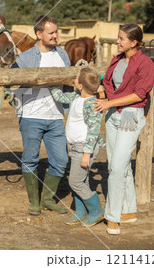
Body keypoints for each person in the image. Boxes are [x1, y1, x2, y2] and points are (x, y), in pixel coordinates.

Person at [93, 23, 154, 235]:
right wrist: (102, 94)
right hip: (111, 115)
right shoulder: (117, 60)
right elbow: (111, 85)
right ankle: (129, 210)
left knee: (118, 166)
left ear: (134, 42)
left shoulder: (146, 65)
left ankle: (113, 216)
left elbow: (139, 95)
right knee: (116, 163)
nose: (117, 41)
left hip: (130, 115)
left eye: (121, 39)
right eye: (117, 38)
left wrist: (109, 104)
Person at [11, 15, 70, 215]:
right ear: (39, 34)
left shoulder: (63, 55)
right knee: (30, 158)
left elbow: (69, 82)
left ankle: (47, 199)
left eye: (56, 31)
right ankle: (34, 202)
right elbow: (10, 81)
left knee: (61, 159)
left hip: (55, 116)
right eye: (51, 32)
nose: (55, 35)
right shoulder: (25, 57)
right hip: (31, 115)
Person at [50, 68, 105, 227]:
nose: (73, 79)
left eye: (75, 78)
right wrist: (50, 82)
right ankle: (81, 212)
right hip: (75, 146)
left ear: (80, 85)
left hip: (84, 148)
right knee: (82, 180)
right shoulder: (75, 97)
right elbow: (59, 96)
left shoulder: (92, 104)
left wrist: (87, 154)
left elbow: (94, 131)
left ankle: (96, 211)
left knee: (75, 182)